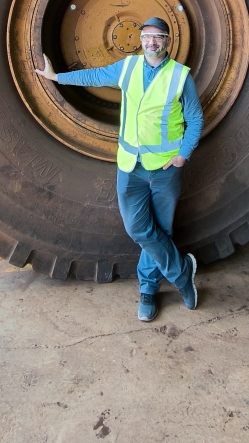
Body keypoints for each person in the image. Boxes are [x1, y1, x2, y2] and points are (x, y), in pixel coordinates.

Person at [35, 17, 204, 322]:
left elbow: (195, 118)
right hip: (130, 166)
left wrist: (183, 155)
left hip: (165, 168)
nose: (152, 42)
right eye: (147, 36)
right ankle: (182, 273)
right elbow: (95, 76)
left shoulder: (180, 76)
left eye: (158, 37)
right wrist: (57, 77)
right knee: (139, 228)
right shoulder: (127, 68)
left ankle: (148, 288)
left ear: (168, 41)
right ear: (141, 40)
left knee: (161, 229)